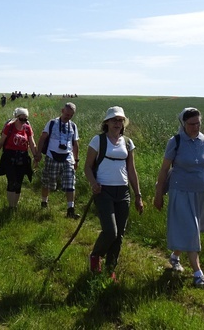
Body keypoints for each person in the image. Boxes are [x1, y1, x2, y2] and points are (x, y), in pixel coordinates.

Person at [153, 107, 204, 288]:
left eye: (198, 123)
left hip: (203, 192)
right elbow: (164, 169)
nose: (195, 127)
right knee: (192, 231)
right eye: (191, 124)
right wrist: (158, 194)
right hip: (181, 192)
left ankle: (175, 256)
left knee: (191, 230)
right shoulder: (176, 141)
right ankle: (198, 275)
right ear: (183, 124)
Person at [83, 106, 144, 279]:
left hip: (123, 192)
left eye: (120, 120)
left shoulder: (127, 142)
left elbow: (132, 170)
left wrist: (138, 195)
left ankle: (110, 269)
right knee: (111, 231)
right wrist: (93, 183)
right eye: (114, 120)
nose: (118, 123)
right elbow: (87, 167)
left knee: (120, 235)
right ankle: (96, 256)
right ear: (107, 122)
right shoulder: (98, 141)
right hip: (103, 190)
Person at [35, 102, 81, 218]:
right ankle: (44, 202)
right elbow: (42, 138)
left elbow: (75, 144)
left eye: (71, 115)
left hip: (68, 158)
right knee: (48, 182)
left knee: (70, 183)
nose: (68, 117)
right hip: (51, 156)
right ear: (62, 111)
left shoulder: (73, 126)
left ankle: (70, 209)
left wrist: (76, 160)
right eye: (67, 114)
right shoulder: (52, 123)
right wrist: (38, 154)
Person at [0, 107, 37, 208]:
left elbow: (32, 143)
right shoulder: (9, 127)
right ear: (16, 118)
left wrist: (35, 157)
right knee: (11, 181)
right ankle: (11, 206)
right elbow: (1, 142)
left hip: (22, 157)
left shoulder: (27, 128)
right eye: (21, 119)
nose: (24, 121)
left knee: (19, 182)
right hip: (9, 157)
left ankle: (15, 206)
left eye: (26, 119)